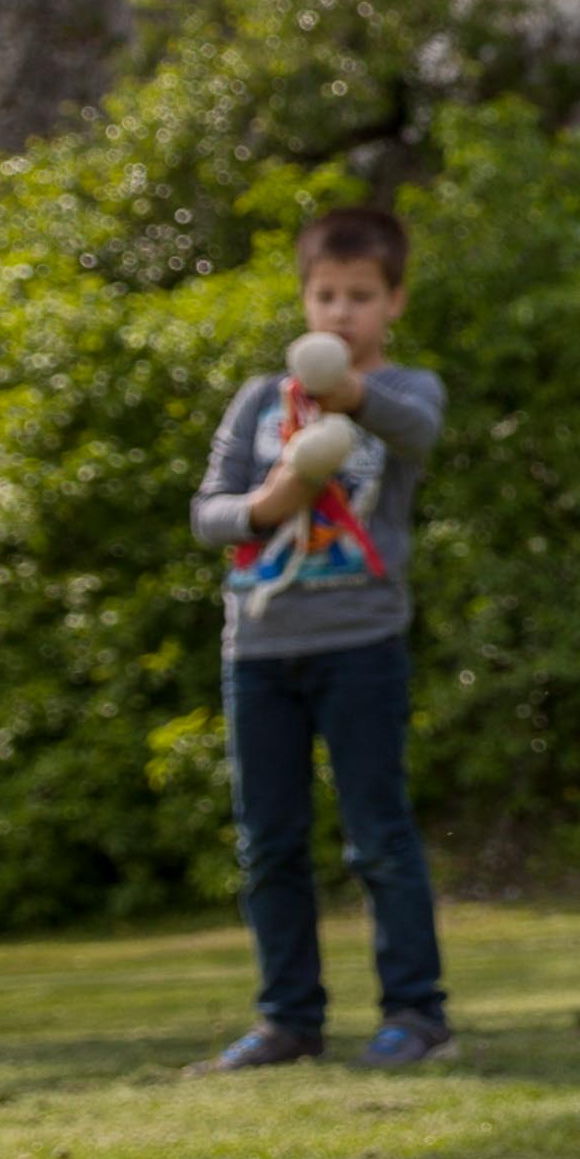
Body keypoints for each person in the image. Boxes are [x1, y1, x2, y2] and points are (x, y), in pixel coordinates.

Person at [188, 203, 453, 1071]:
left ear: (394, 302)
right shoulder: (261, 401)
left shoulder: (407, 393)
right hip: (258, 651)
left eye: (362, 295)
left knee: (378, 834)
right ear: (305, 299)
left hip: (363, 642)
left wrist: (353, 401)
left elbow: (416, 432)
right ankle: (288, 1020)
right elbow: (209, 515)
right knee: (269, 842)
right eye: (327, 294)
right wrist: (267, 507)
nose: (342, 312)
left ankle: (416, 1015)